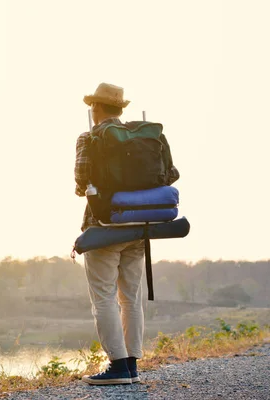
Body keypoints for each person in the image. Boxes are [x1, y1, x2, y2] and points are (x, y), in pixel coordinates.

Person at [74, 83, 180, 385]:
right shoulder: (148, 136)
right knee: (131, 297)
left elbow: (81, 181)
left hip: (103, 226)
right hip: (140, 227)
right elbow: (171, 174)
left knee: (104, 298)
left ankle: (117, 366)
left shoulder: (89, 137)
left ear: (96, 108)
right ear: (121, 109)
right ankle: (132, 365)